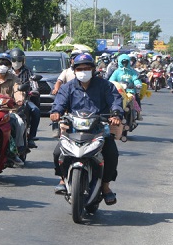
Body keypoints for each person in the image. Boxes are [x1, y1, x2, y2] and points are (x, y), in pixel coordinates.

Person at [49, 53, 122, 205]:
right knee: (58, 153)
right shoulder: (68, 87)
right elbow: (59, 103)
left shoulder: (105, 86)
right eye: (80, 68)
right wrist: (56, 112)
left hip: (99, 129)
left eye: (87, 68)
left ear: (93, 69)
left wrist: (116, 114)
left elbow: (115, 100)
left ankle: (106, 186)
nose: (83, 71)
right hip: (73, 130)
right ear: (74, 71)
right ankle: (63, 179)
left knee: (111, 154)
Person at [9, 48, 41, 148]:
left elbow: (34, 83)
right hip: (7, 100)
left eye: (19, 60)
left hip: (25, 99)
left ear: (23, 61)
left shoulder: (28, 71)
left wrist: (34, 90)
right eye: (14, 60)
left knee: (35, 111)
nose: (16, 63)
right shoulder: (7, 72)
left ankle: (31, 137)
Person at [109, 53, 143, 120]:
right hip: (119, 91)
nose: (124, 63)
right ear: (119, 62)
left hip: (130, 91)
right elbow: (111, 80)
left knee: (133, 98)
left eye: (126, 62)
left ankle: (138, 113)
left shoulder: (132, 71)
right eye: (123, 62)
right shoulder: (117, 72)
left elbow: (135, 79)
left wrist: (138, 84)